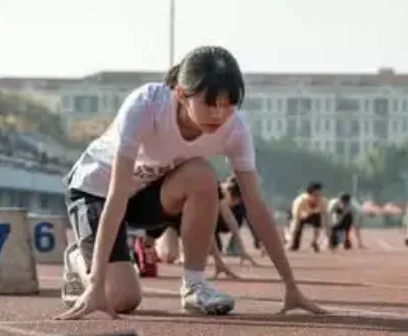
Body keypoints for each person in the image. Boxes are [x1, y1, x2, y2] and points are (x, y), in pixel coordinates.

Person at [58, 45, 326, 320]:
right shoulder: (145, 106)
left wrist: (291, 285)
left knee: (202, 174)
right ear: (181, 94)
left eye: (228, 104)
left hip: (148, 194)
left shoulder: (236, 130)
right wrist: (95, 282)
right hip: (97, 190)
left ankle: (194, 287)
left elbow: (256, 206)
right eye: (210, 103)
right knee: (122, 298)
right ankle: (78, 258)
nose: (219, 115)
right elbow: (116, 195)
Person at [288, 182, 330, 252]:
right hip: (300, 214)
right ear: (309, 194)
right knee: (297, 227)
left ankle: (314, 242)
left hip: (314, 214)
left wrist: (329, 239)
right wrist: (292, 239)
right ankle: (294, 243)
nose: (317, 198)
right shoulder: (300, 201)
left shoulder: (323, 202)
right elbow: (295, 220)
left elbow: (327, 220)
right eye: (315, 195)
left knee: (318, 217)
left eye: (319, 195)